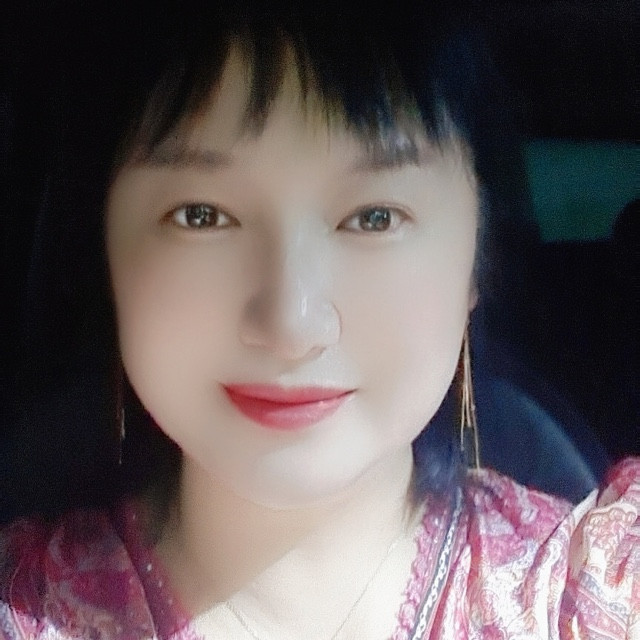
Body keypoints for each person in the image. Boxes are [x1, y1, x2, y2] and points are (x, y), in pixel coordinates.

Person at [0, 2, 638, 639]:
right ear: (108, 253)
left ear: (477, 258)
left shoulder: (595, 593)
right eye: (202, 215)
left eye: (374, 218)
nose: (291, 325)